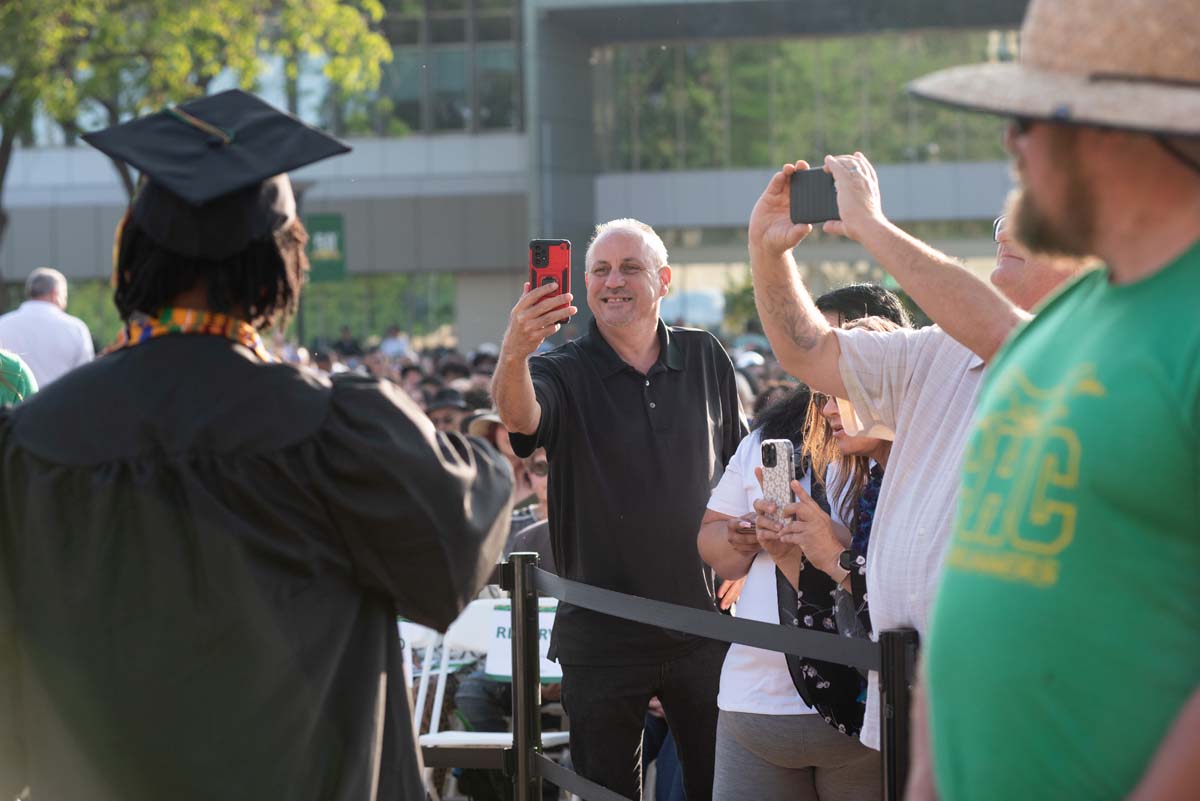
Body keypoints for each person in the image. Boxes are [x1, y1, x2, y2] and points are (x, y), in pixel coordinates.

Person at [0, 90, 514, 801]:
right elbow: (464, 528)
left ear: (134, 252)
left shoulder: (32, 441)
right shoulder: (336, 427)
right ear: (281, 263)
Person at [902, 1, 1200, 799]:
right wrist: (928, 778)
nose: (1011, 143)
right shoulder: (1056, 325)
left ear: (1113, 129)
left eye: (1028, 117)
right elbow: (970, 581)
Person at [746, 143, 1083, 755]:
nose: (1005, 231)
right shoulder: (938, 349)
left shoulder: (1085, 343)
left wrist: (871, 226)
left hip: (1011, 705)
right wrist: (768, 254)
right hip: (909, 689)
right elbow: (808, 353)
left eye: (1028, 219)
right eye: (1002, 220)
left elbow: (1011, 336)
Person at [493, 217, 747, 801]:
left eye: (629, 268)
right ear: (583, 286)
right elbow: (520, 421)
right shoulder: (557, 368)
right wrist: (515, 349)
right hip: (601, 638)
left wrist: (744, 556)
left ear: (663, 280)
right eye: (600, 271)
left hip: (702, 627)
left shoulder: (706, 355)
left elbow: (741, 468)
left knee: (722, 789)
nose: (614, 282)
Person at [699, 296, 905, 801]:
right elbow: (712, 545)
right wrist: (747, 542)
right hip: (758, 701)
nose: (826, 397)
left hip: (868, 709)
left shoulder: (900, 465)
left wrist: (819, 546)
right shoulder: (772, 440)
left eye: (832, 355)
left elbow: (885, 591)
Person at [0, 267, 94, 387]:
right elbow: (86, 378)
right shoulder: (76, 328)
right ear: (55, 294)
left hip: (15, 402)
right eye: (65, 296)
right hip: (61, 403)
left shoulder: (3, 324)